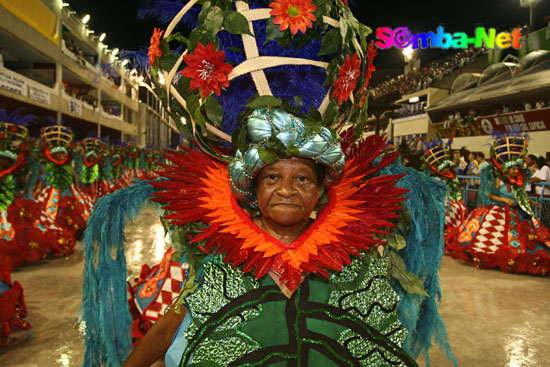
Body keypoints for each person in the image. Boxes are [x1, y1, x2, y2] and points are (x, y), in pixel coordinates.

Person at [448, 135, 550, 274]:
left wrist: (532, 202)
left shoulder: (517, 182)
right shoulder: (499, 180)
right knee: (489, 233)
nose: (515, 171)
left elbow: (520, 196)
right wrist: (505, 200)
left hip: (516, 211)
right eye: (512, 169)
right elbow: (490, 195)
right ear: (506, 169)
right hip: (498, 210)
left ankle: (516, 255)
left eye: (516, 169)